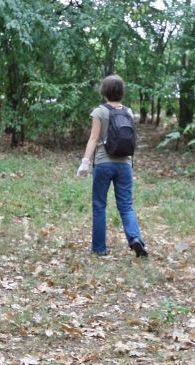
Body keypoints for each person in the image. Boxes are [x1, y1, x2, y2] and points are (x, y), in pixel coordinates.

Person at [76, 74, 147, 258]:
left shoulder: (100, 112)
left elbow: (93, 138)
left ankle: (99, 248)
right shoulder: (129, 112)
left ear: (104, 92)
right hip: (124, 163)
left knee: (99, 205)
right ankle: (135, 238)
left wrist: (84, 162)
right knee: (126, 206)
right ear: (121, 92)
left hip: (103, 163)